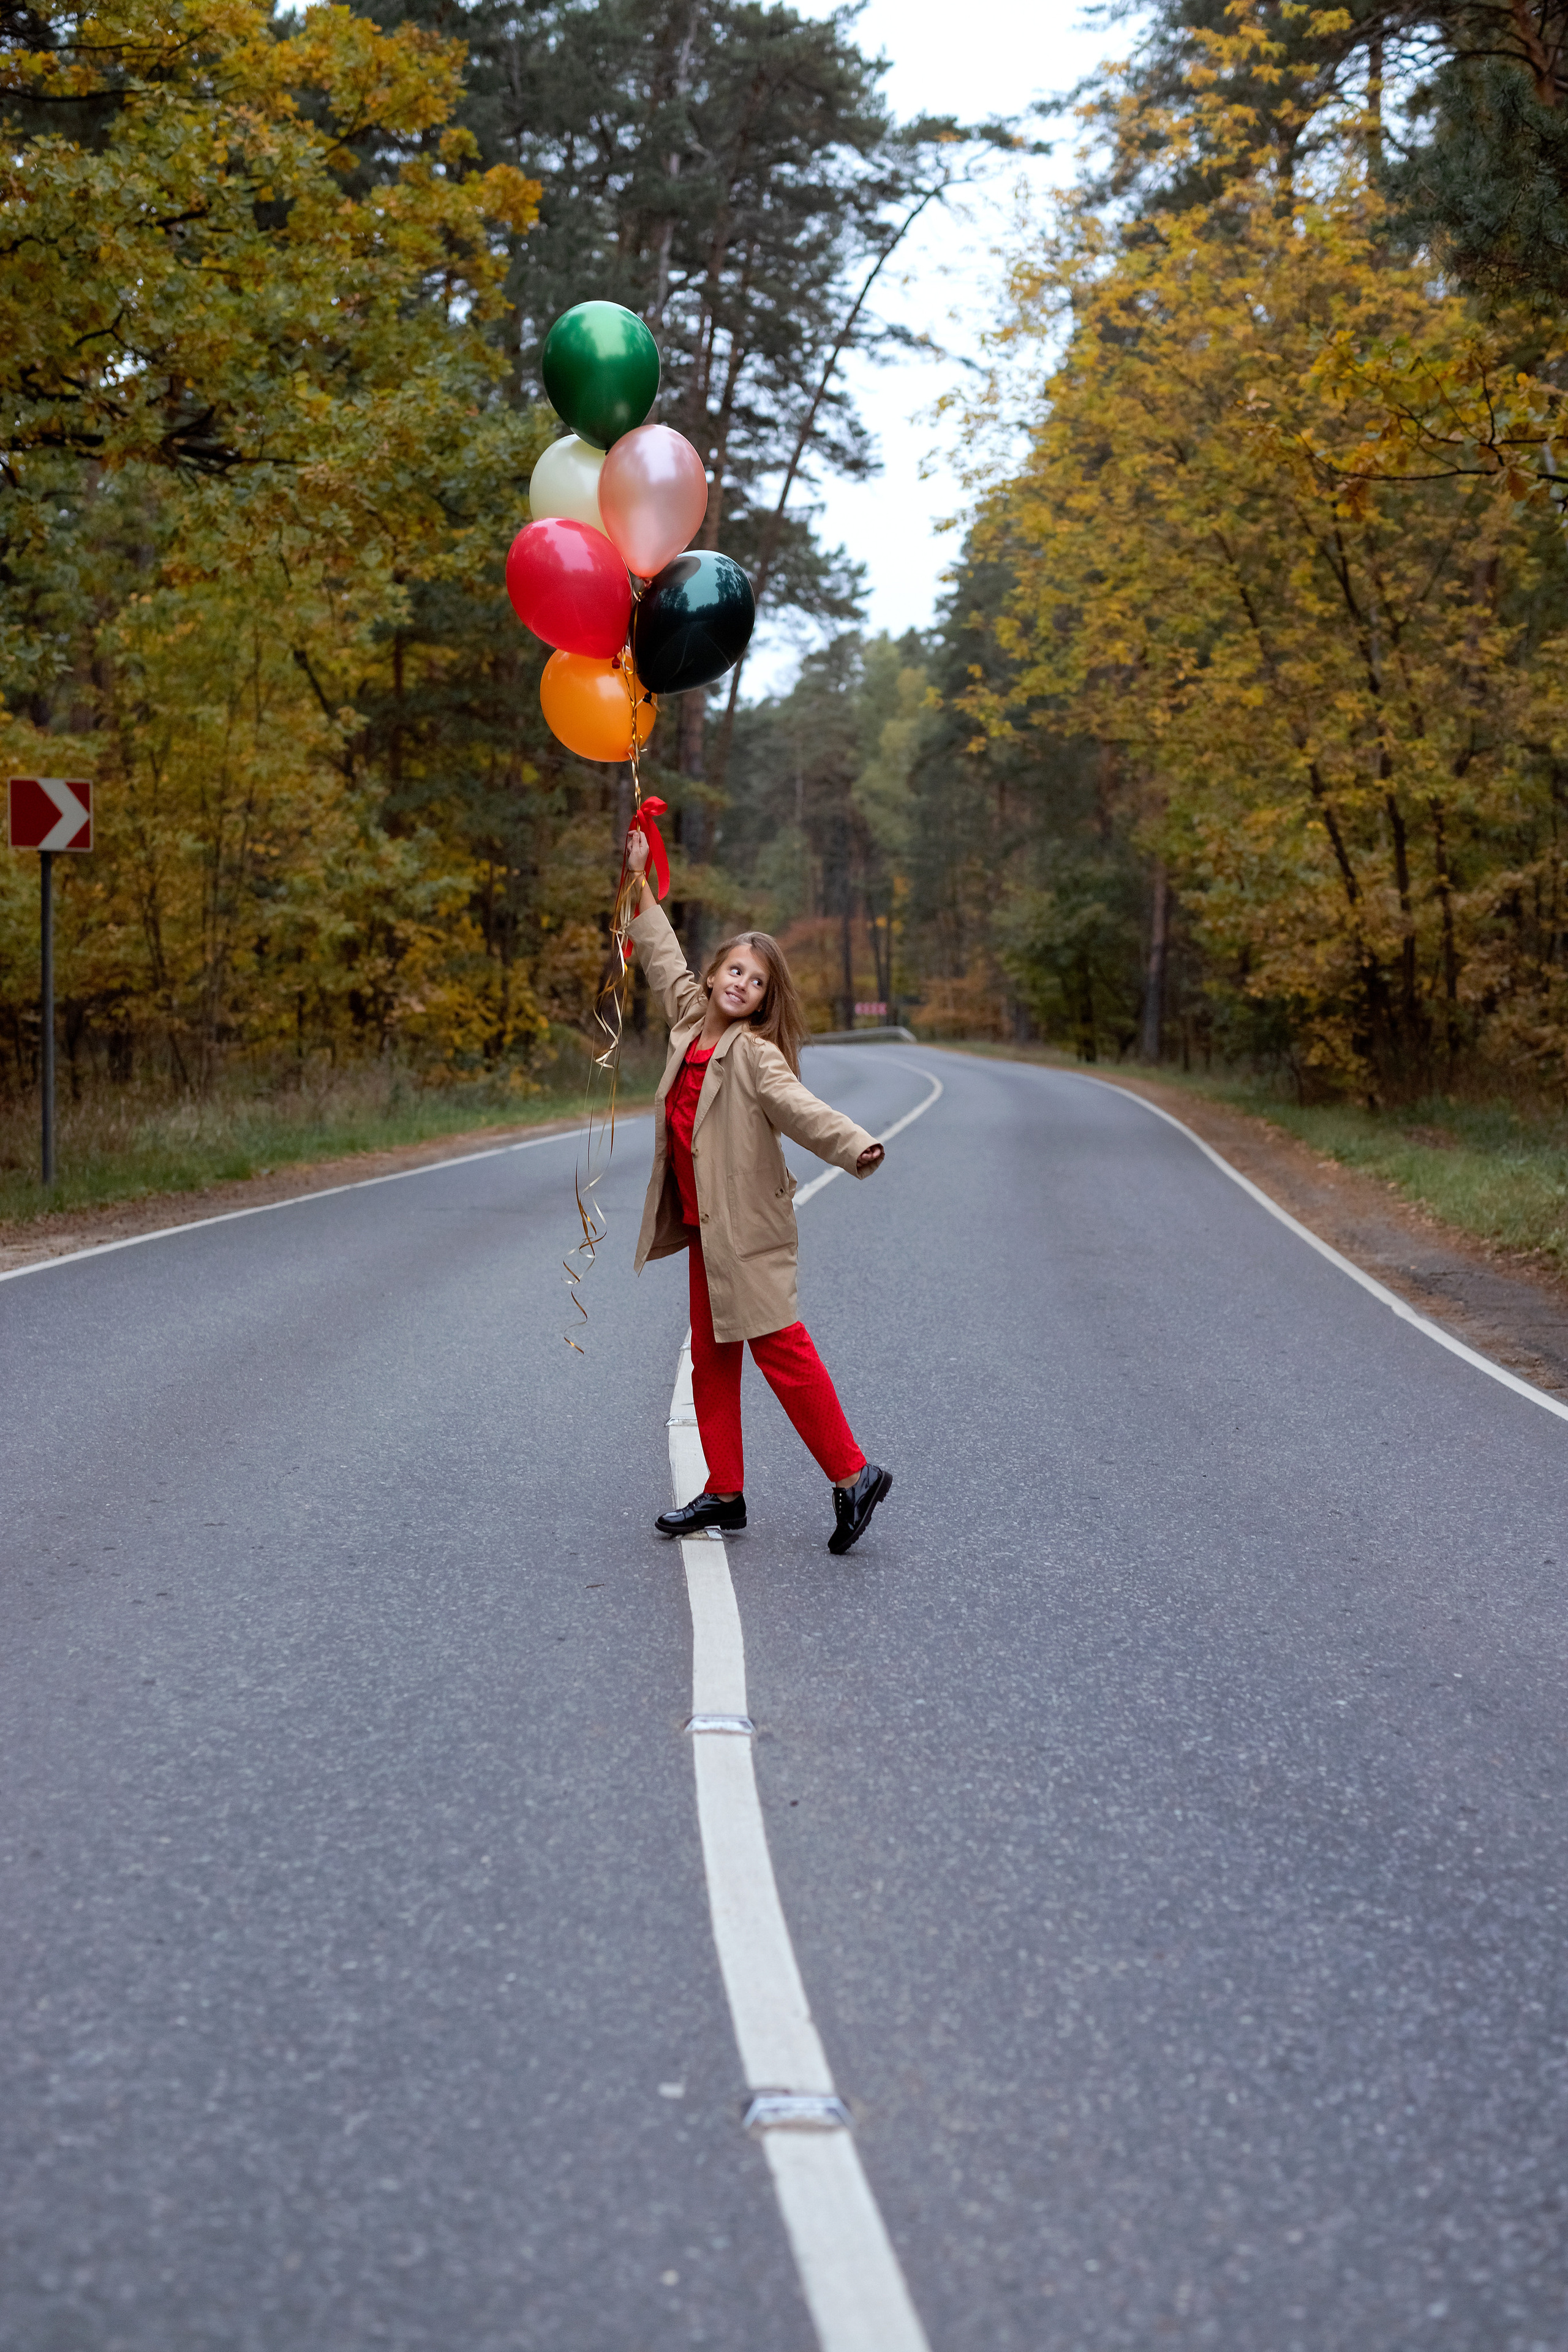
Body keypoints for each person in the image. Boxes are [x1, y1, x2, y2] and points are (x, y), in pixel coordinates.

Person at [622, 826, 892, 1555]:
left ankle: (854, 1474)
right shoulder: (688, 1023)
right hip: (710, 1225)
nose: (741, 984)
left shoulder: (754, 1055)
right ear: (713, 977)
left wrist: (854, 1143)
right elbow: (659, 954)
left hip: (750, 1228)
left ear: (764, 999)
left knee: (780, 1347)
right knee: (711, 1354)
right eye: (734, 971)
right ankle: (725, 1491)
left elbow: (801, 1107)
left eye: (757, 981)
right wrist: (640, 878)